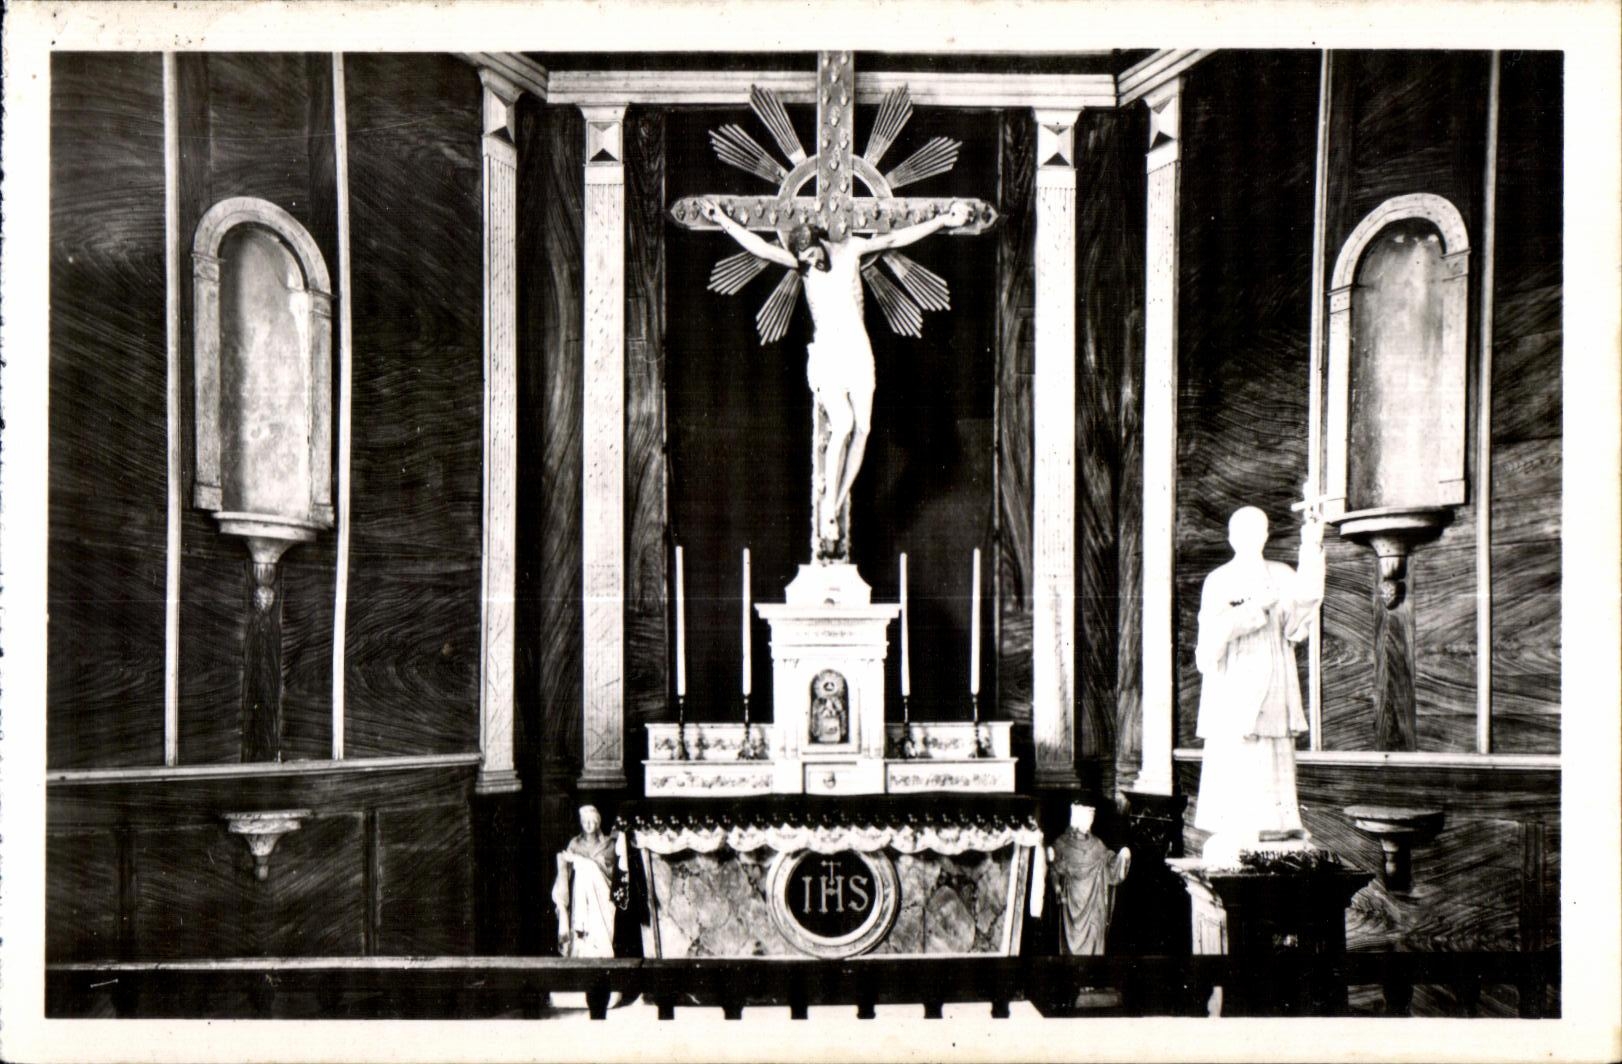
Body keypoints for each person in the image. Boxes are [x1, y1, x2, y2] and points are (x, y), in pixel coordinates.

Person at [702, 199, 972, 557]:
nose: (812, 262)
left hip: (858, 352)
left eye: (814, 254)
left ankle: (834, 502)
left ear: (821, 241)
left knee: (863, 429)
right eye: (806, 259)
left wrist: (941, 221)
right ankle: (829, 505)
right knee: (842, 426)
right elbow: (759, 246)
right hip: (829, 355)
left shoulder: (852, 250)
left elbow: (894, 240)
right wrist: (721, 218)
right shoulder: (802, 265)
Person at [1193, 506, 1326, 866]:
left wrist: (1311, 546)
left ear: (1266, 536)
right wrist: (1252, 611)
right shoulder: (1219, 580)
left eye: (1259, 531)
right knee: (1239, 757)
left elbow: (1305, 605)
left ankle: (1278, 828)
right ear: (1232, 537)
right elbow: (1207, 648)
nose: (1252, 538)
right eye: (1244, 531)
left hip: (1274, 681)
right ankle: (1238, 827)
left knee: (1273, 756)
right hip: (1234, 685)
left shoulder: (1281, 575)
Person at [1041, 803, 1131, 956]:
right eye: (1088, 817)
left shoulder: (1097, 845)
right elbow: (1054, 870)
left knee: (1094, 948)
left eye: (1092, 817)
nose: (1091, 820)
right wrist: (1056, 887)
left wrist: (1122, 858)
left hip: (1094, 910)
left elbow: (1111, 866)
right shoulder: (1062, 844)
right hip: (1071, 907)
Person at [551, 804, 627, 958]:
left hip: (601, 893)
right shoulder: (575, 843)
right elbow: (567, 871)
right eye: (585, 821)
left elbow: (609, 870)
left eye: (592, 821)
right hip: (580, 896)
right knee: (582, 872)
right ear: (581, 822)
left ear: (597, 822)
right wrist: (565, 863)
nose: (589, 825)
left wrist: (580, 861)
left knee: (588, 867)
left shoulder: (607, 844)